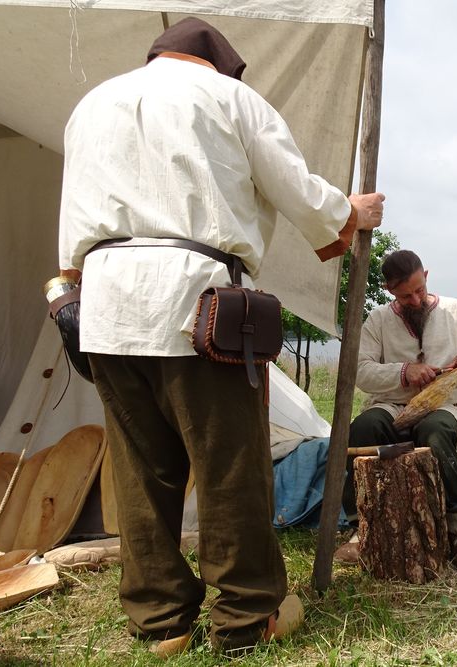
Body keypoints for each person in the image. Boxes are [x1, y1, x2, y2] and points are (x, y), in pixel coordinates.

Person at [57, 18, 385, 655]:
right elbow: (296, 190)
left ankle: (162, 624)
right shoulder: (231, 99)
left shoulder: (92, 104)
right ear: (222, 65)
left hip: (105, 304)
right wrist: (351, 212)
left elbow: (72, 218)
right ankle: (247, 616)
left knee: (141, 471)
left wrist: (71, 289)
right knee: (229, 465)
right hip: (194, 302)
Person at [335, 250, 457, 573]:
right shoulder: (378, 320)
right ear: (388, 289)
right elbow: (360, 371)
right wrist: (403, 372)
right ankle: (360, 525)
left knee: (435, 431)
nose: (416, 299)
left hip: (447, 405)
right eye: (406, 295)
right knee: (363, 428)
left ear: (426, 275)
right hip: (392, 405)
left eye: (420, 290)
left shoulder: (454, 310)